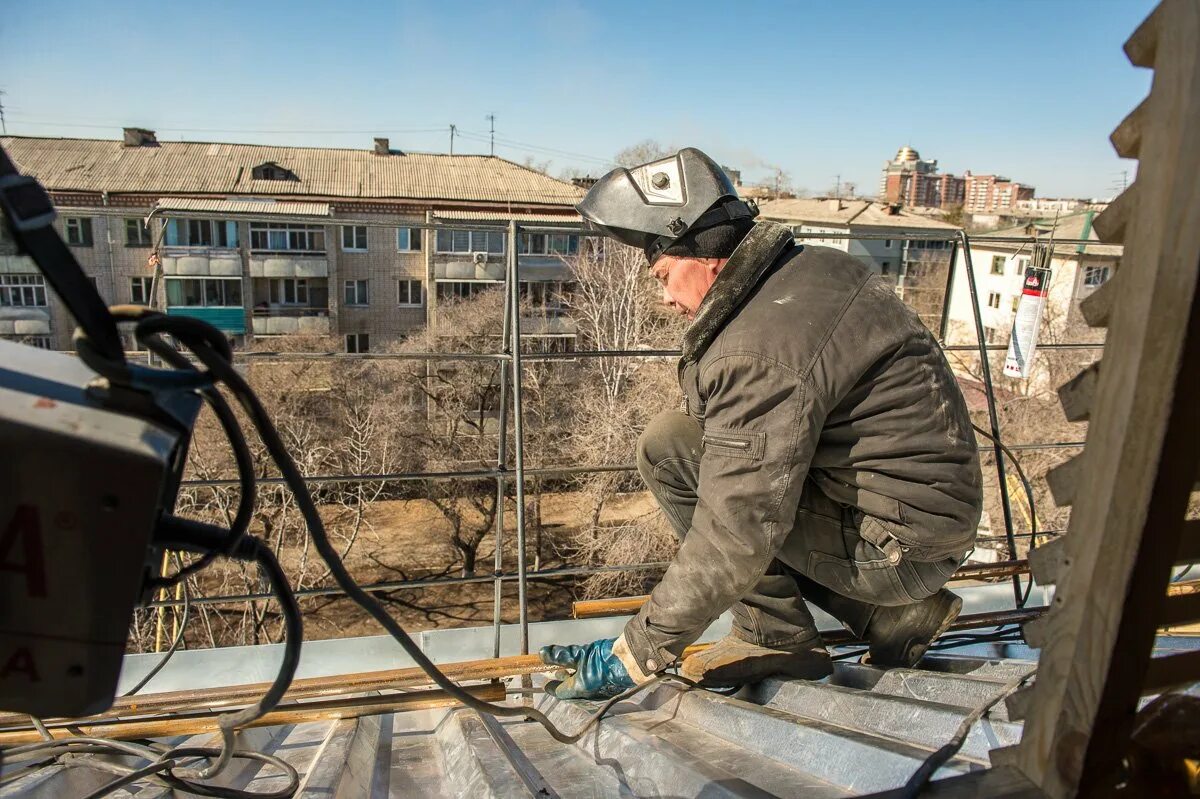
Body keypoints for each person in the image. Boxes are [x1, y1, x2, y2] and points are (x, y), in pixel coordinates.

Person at [540, 148, 983, 700]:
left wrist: (636, 651)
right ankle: (890, 618)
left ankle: (776, 637)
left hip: (898, 550)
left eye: (664, 274)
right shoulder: (814, 270)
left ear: (703, 255)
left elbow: (736, 527)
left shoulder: (754, 352)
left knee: (674, 458)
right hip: (924, 524)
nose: (664, 296)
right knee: (682, 442)